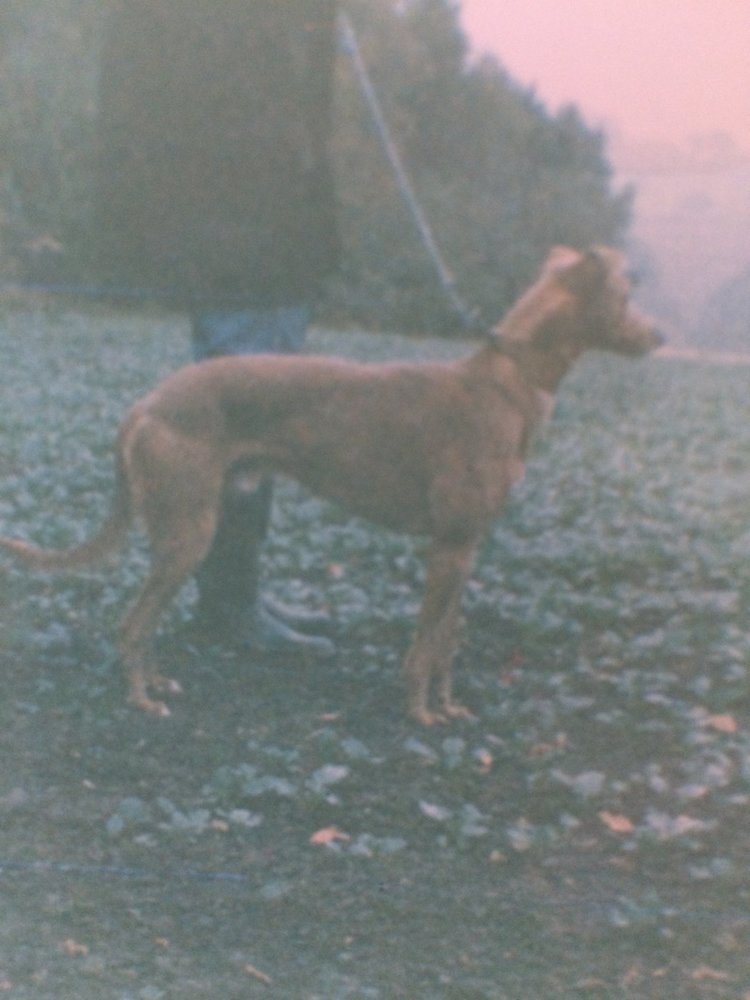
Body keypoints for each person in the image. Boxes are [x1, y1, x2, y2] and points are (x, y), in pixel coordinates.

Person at [96, 0, 340, 656]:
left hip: (274, 225)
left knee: (262, 414)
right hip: (239, 225)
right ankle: (228, 605)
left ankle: (236, 591)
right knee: (242, 418)